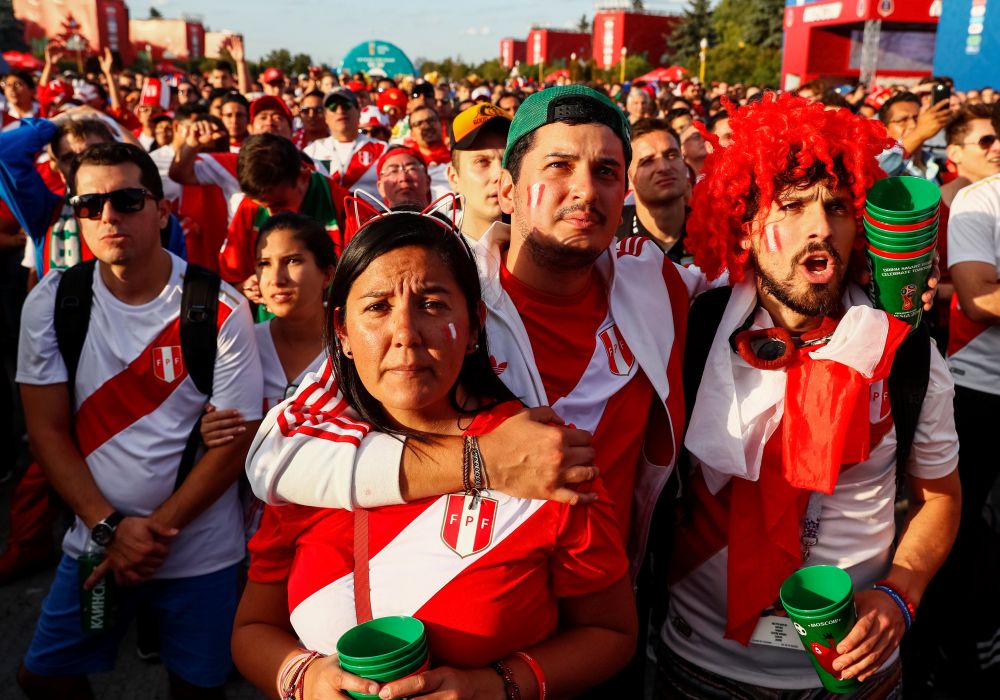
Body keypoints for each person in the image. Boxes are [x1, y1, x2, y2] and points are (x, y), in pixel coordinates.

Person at [232, 209, 636, 699]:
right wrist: (304, 679)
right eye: (377, 307)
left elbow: (611, 634)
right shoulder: (311, 464)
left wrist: (497, 687)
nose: (406, 333)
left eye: (431, 303)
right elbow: (252, 629)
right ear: (342, 332)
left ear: (473, 327)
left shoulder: (545, 458)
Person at [659, 93, 960, 697]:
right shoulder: (686, 332)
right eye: (791, 207)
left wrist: (900, 593)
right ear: (746, 224)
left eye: (838, 208)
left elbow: (940, 499)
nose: (819, 227)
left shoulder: (905, 357)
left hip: (856, 677)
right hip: (696, 666)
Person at [15, 142, 263, 699]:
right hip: (96, 546)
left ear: (162, 210)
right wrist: (112, 530)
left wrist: (149, 535)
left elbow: (235, 441)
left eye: (127, 200)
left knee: (197, 689)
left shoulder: (218, 306)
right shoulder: (54, 302)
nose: (108, 217)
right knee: (43, 677)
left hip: (201, 554)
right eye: (89, 204)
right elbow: (47, 432)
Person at [933, 164, 1000, 694]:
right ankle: (954, 644)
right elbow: (980, 299)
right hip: (979, 392)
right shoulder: (983, 201)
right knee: (960, 526)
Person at [222, 133, 348, 296]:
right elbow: (230, 284)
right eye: (263, 206)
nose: (270, 214)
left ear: (303, 178)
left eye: (278, 205)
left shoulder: (344, 206)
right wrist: (246, 288)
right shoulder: (249, 207)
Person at [616, 118, 691, 263]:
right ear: (628, 178)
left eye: (671, 155)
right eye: (647, 161)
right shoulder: (610, 237)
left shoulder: (716, 233)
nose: (663, 167)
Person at [445, 103, 511, 241]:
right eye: (482, 162)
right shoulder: (433, 253)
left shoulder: (541, 251)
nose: (499, 174)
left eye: (508, 161)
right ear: (453, 178)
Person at [304, 87, 387, 197]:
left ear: (358, 112)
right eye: (333, 107)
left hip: (373, 212)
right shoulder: (311, 152)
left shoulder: (382, 149)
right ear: (325, 117)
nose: (340, 110)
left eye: (346, 105)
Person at [878, 92, 950, 181]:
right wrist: (919, 134)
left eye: (917, 118)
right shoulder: (876, 160)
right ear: (884, 130)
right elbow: (879, 173)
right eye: (902, 120)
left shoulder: (937, 164)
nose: (913, 125)